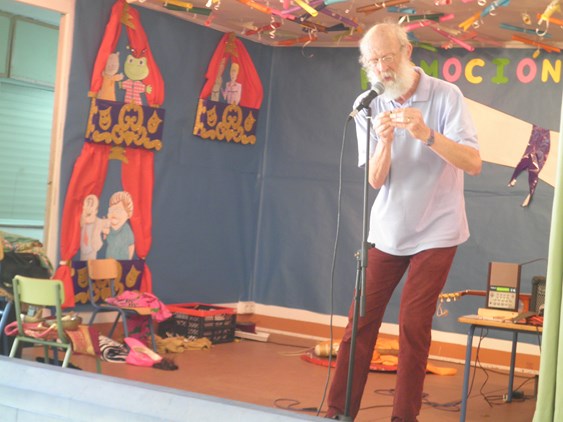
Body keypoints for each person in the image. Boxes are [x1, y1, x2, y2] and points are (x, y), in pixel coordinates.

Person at [325, 23, 482, 421]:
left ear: (407, 52)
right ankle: (338, 413)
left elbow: (472, 163)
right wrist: (386, 142)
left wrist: (427, 134)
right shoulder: (367, 103)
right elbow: (376, 180)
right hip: (389, 230)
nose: (381, 68)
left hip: (438, 230)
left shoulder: (446, 95)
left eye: (387, 58)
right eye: (373, 61)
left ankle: (404, 417)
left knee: (413, 325)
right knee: (359, 323)